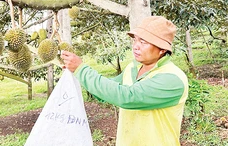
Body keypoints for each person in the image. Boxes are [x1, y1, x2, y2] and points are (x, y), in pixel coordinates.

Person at [61, 16, 188, 146]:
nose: (136, 46)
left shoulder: (172, 78)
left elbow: (127, 96)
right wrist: (75, 72)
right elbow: (105, 93)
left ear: (162, 49)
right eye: (135, 40)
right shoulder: (132, 68)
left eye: (143, 42)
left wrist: (81, 70)